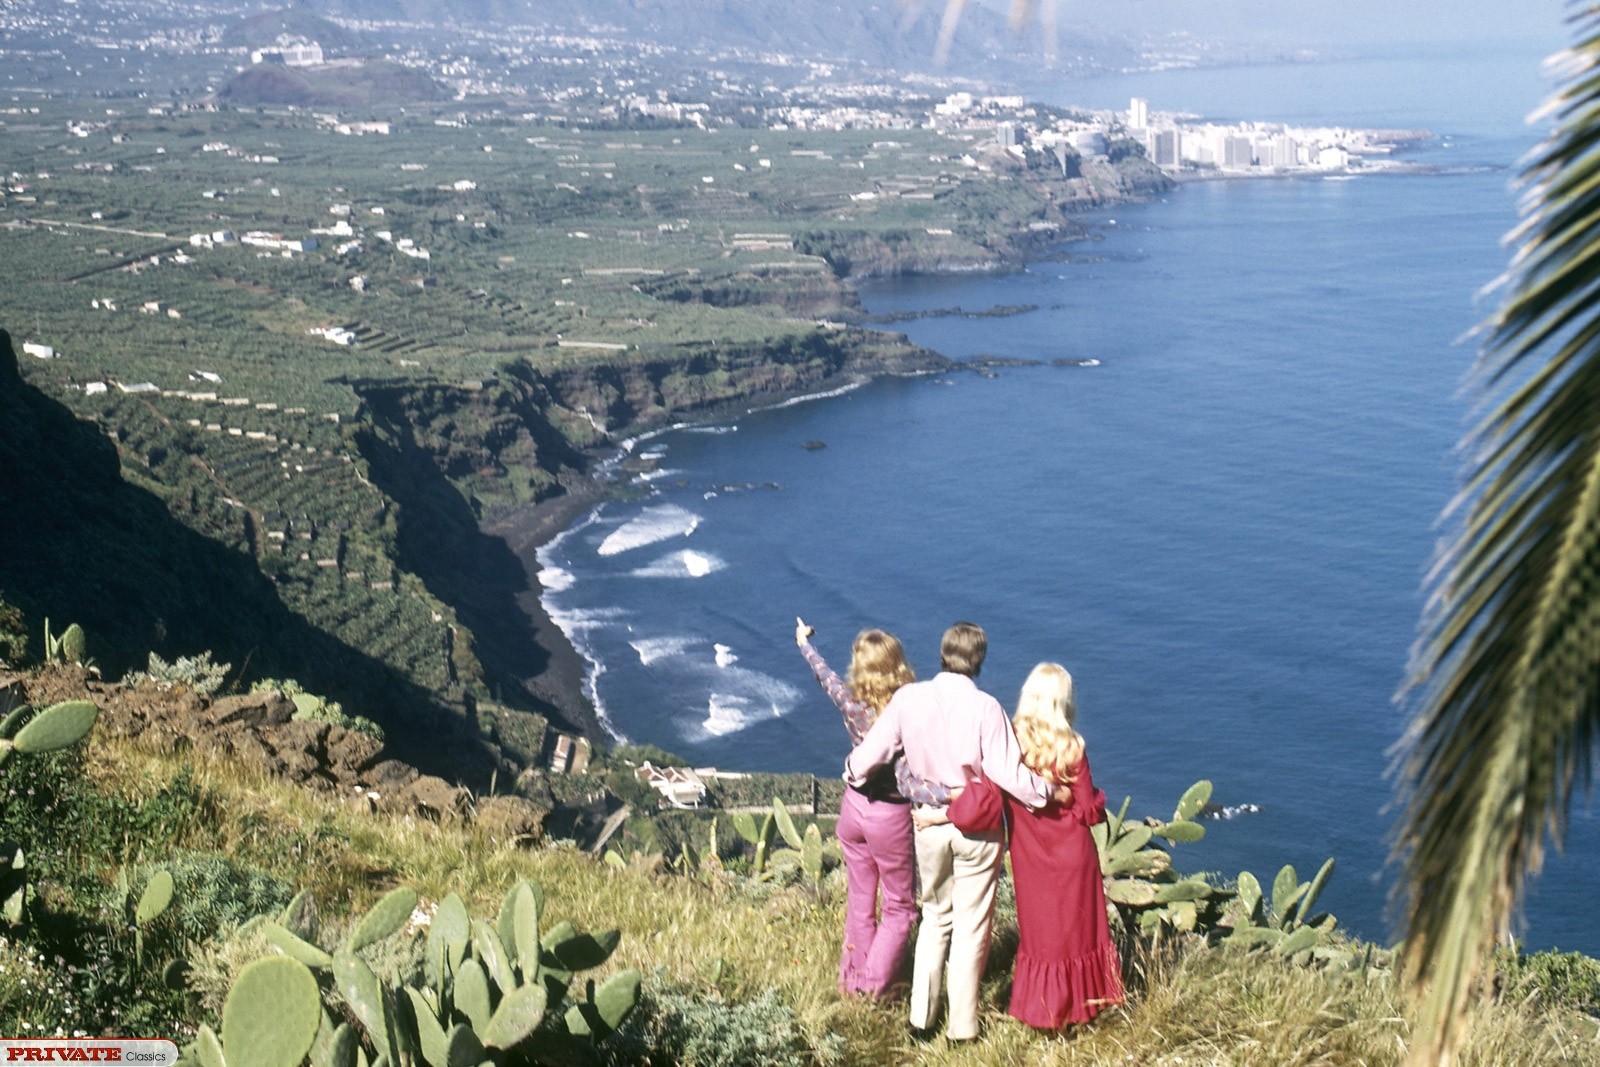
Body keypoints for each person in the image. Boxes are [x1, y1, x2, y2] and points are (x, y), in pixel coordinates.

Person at [845, 621, 1058, 1041]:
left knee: (935, 918)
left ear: (942, 653)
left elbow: (873, 752)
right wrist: (1047, 793)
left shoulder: (908, 699)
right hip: (976, 830)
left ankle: (921, 1020)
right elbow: (1006, 774)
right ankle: (962, 1028)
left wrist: (851, 772)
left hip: (927, 823)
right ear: (978, 661)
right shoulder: (987, 709)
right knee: (971, 925)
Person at [795, 617, 944, 997]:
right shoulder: (905, 714)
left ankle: (852, 978)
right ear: (898, 664)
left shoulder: (852, 703)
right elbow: (912, 782)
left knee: (861, 900)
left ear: (860, 666)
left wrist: (804, 643)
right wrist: (955, 794)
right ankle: (871, 991)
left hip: (853, 809)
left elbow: (824, 677)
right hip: (889, 817)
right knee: (900, 907)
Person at [1002, 662, 1123, 1028]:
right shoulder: (1071, 747)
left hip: (1028, 855)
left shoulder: (1008, 739)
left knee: (1041, 937)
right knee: (1076, 935)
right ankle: (1080, 1009)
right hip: (1074, 855)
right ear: (1062, 701)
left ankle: (1041, 1008)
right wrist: (1079, 795)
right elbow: (1089, 811)